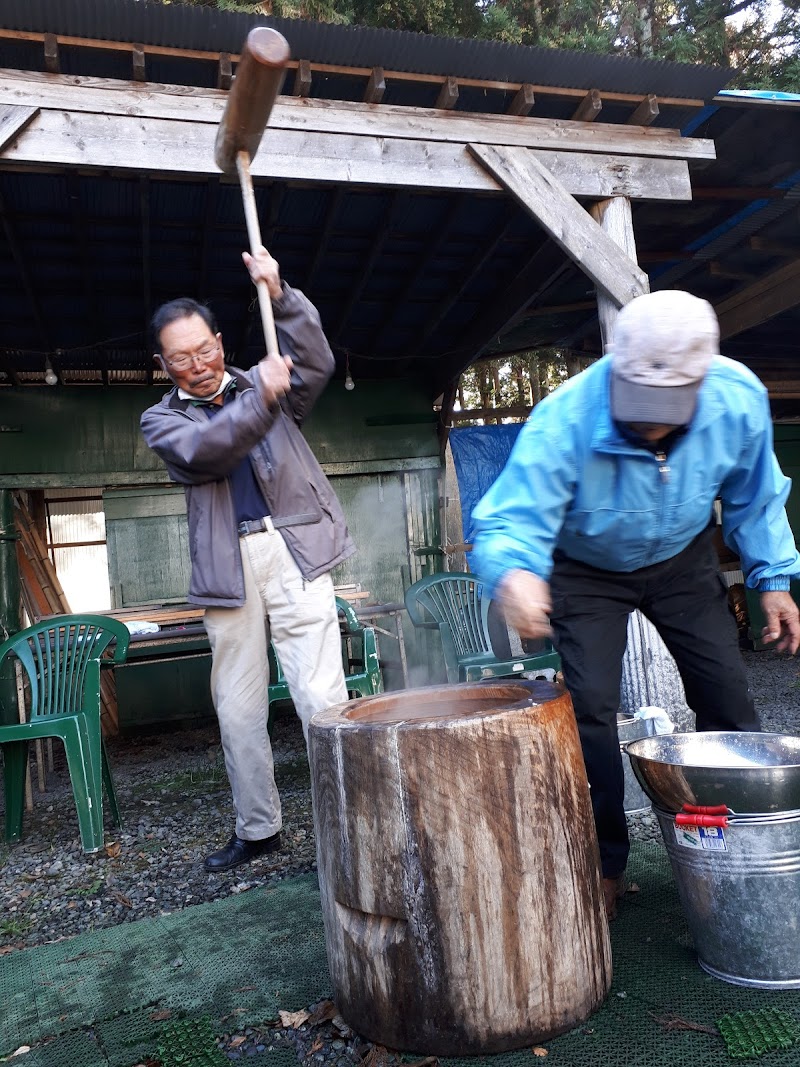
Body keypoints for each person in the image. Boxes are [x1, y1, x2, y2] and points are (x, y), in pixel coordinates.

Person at [470, 289, 800, 919]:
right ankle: (603, 862)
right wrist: (515, 573)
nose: (650, 425)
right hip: (584, 569)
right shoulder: (564, 419)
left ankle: (736, 845)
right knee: (589, 711)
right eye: (638, 407)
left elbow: (757, 494)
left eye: (667, 409)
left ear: (700, 385)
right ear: (615, 368)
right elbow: (510, 519)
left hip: (680, 558)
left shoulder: (737, 399)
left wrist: (773, 577)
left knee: (727, 700)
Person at [141, 247, 354, 873]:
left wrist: (280, 292)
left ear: (219, 341)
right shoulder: (161, 418)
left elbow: (316, 360)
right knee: (237, 705)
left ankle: (346, 822)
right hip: (226, 566)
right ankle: (259, 829)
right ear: (163, 363)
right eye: (181, 358)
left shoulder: (270, 383)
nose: (198, 366)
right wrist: (260, 393)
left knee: (322, 694)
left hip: (295, 544)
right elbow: (208, 450)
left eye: (205, 349)